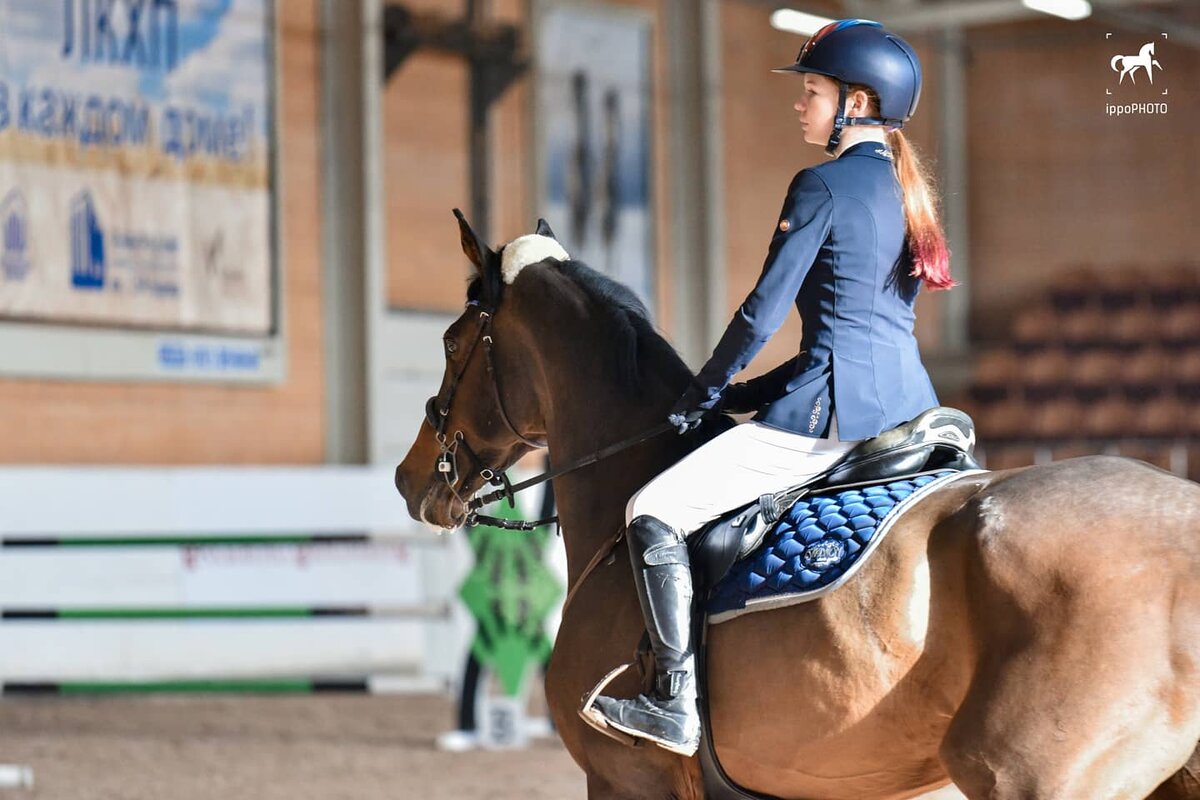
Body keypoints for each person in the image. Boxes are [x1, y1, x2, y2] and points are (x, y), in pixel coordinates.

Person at [579, 19, 958, 756]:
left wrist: (702, 390)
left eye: (811, 90)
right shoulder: (908, 190)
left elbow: (760, 313)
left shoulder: (821, 184)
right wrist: (748, 396)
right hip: (912, 406)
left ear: (856, 101)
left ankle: (673, 702)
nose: (800, 103)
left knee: (651, 508)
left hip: (832, 420)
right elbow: (856, 333)